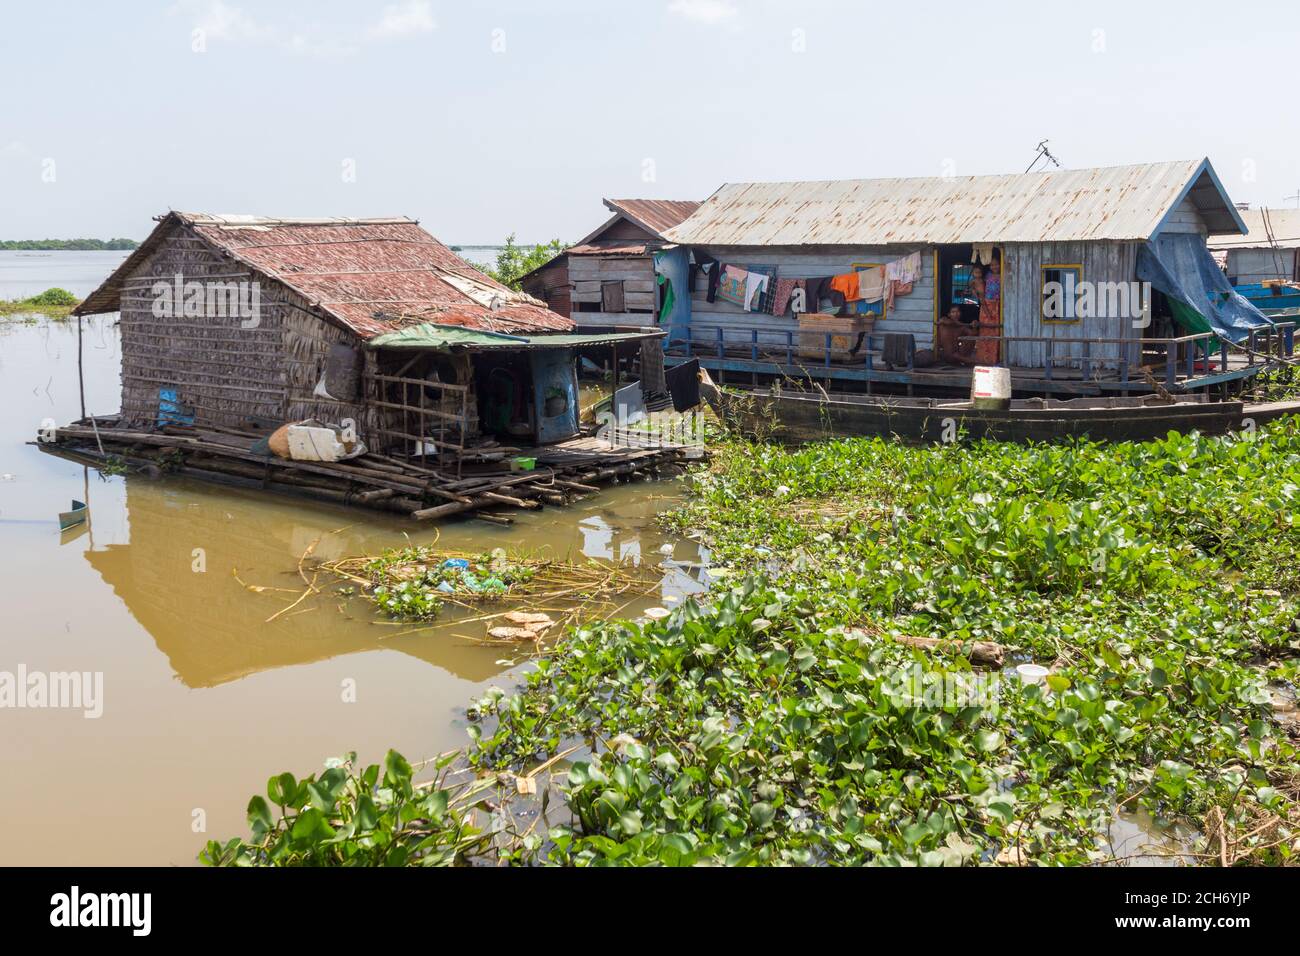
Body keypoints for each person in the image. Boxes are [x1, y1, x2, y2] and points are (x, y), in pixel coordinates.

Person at [971, 259, 1003, 366]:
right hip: (987, 307)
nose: (995, 267)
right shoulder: (987, 276)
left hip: (998, 306)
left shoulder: (1003, 274)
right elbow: (978, 290)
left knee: (996, 331)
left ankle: (995, 358)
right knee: (986, 331)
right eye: (992, 265)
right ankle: (985, 359)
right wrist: (974, 291)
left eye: (996, 264)